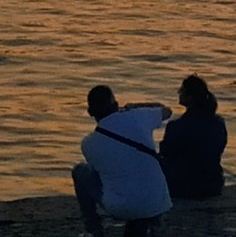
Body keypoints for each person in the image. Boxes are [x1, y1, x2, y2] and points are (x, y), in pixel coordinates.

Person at [72, 83, 171, 237]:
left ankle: (93, 230)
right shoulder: (137, 117)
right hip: (160, 201)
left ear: (90, 112)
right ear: (116, 105)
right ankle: (150, 221)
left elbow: (99, 174)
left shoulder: (89, 143)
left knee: (80, 171)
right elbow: (167, 111)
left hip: (121, 209)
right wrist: (135, 107)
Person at [159, 74, 227, 200]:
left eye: (181, 90)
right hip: (213, 184)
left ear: (190, 97)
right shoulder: (218, 123)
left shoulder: (176, 126)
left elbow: (166, 155)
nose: (178, 93)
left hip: (183, 187)